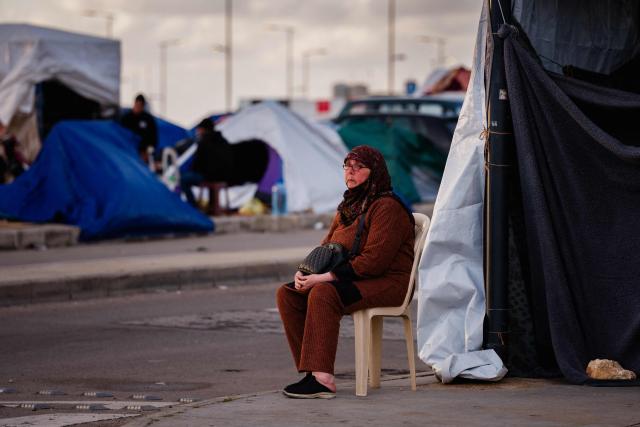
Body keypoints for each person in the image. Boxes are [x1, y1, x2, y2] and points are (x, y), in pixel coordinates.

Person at [276, 145, 415, 399]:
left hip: (389, 283)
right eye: (347, 166)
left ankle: (323, 380)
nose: (350, 172)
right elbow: (325, 247)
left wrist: (325, 278)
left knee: (324, 293)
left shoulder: (386, 207)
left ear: (374, 172)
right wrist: (305, 272)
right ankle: (311, 371)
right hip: (357, 278)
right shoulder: (348, 207)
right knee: (289, 294)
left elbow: (374, 262)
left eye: (359, 167)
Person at [180, 118, 234, 207]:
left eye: (199, 129)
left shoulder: (204, 142)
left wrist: (192, 170)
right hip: (225, 176)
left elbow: (197, 163)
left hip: (209, 176)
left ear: (203, 129)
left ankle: (192, 206)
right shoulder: (223, 141)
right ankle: (212, 205)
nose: (197, 131)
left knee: (184, 179)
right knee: (208, 174)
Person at [120, 94, 158, 163]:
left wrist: (148, 151)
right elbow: (121, 134)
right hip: (129, 150)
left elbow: (153, 137)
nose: (137, 108)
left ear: (143, 106)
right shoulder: (126, 118)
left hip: (143, 150)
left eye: (140, 106)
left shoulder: (148, 119)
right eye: (136, 105)